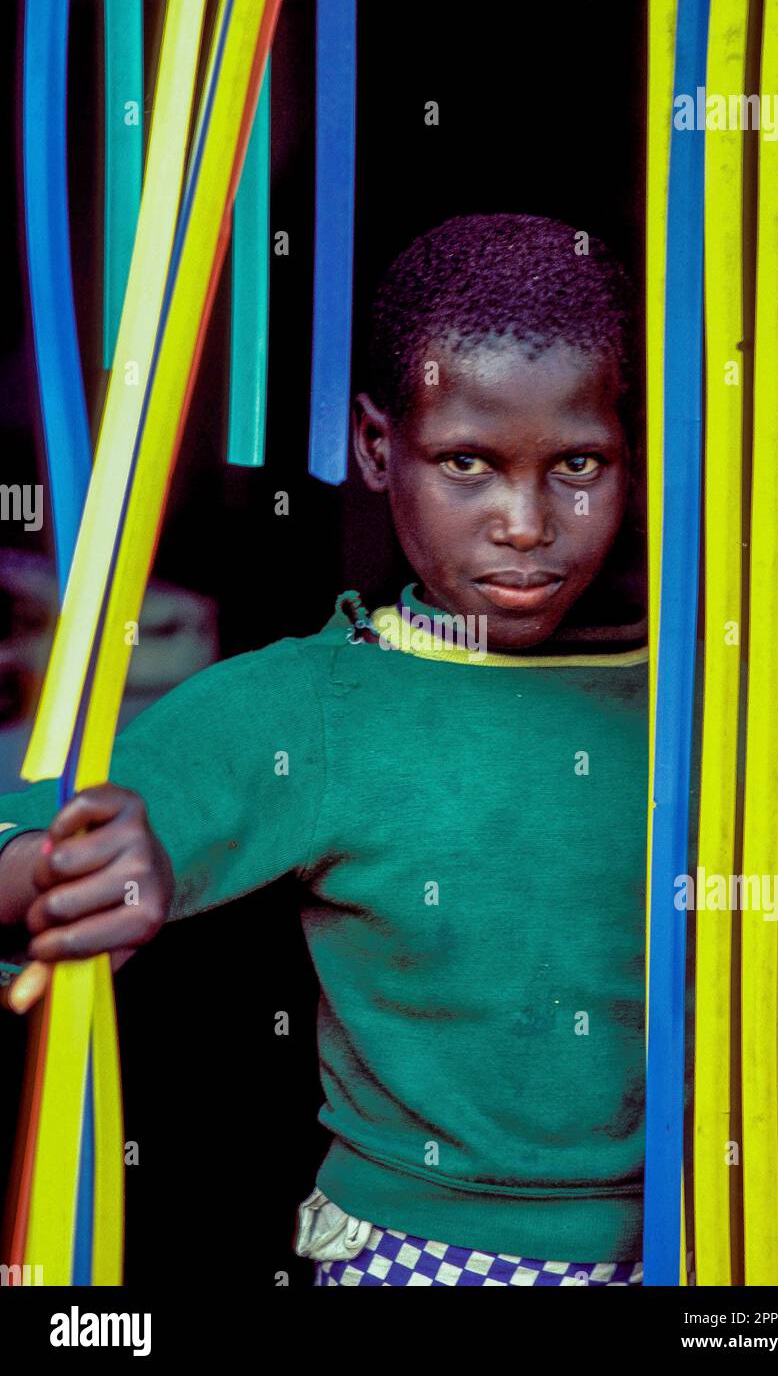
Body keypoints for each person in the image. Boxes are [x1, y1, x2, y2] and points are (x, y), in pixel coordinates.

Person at [0, 214, 655, 1287]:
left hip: (712, 1242)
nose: (526, 522)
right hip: (418, 1258)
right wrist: (63, 865)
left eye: (577, 462)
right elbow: (33, 834)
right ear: (372, 447)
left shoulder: (718, 699)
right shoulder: (313, 704)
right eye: (465, 463)